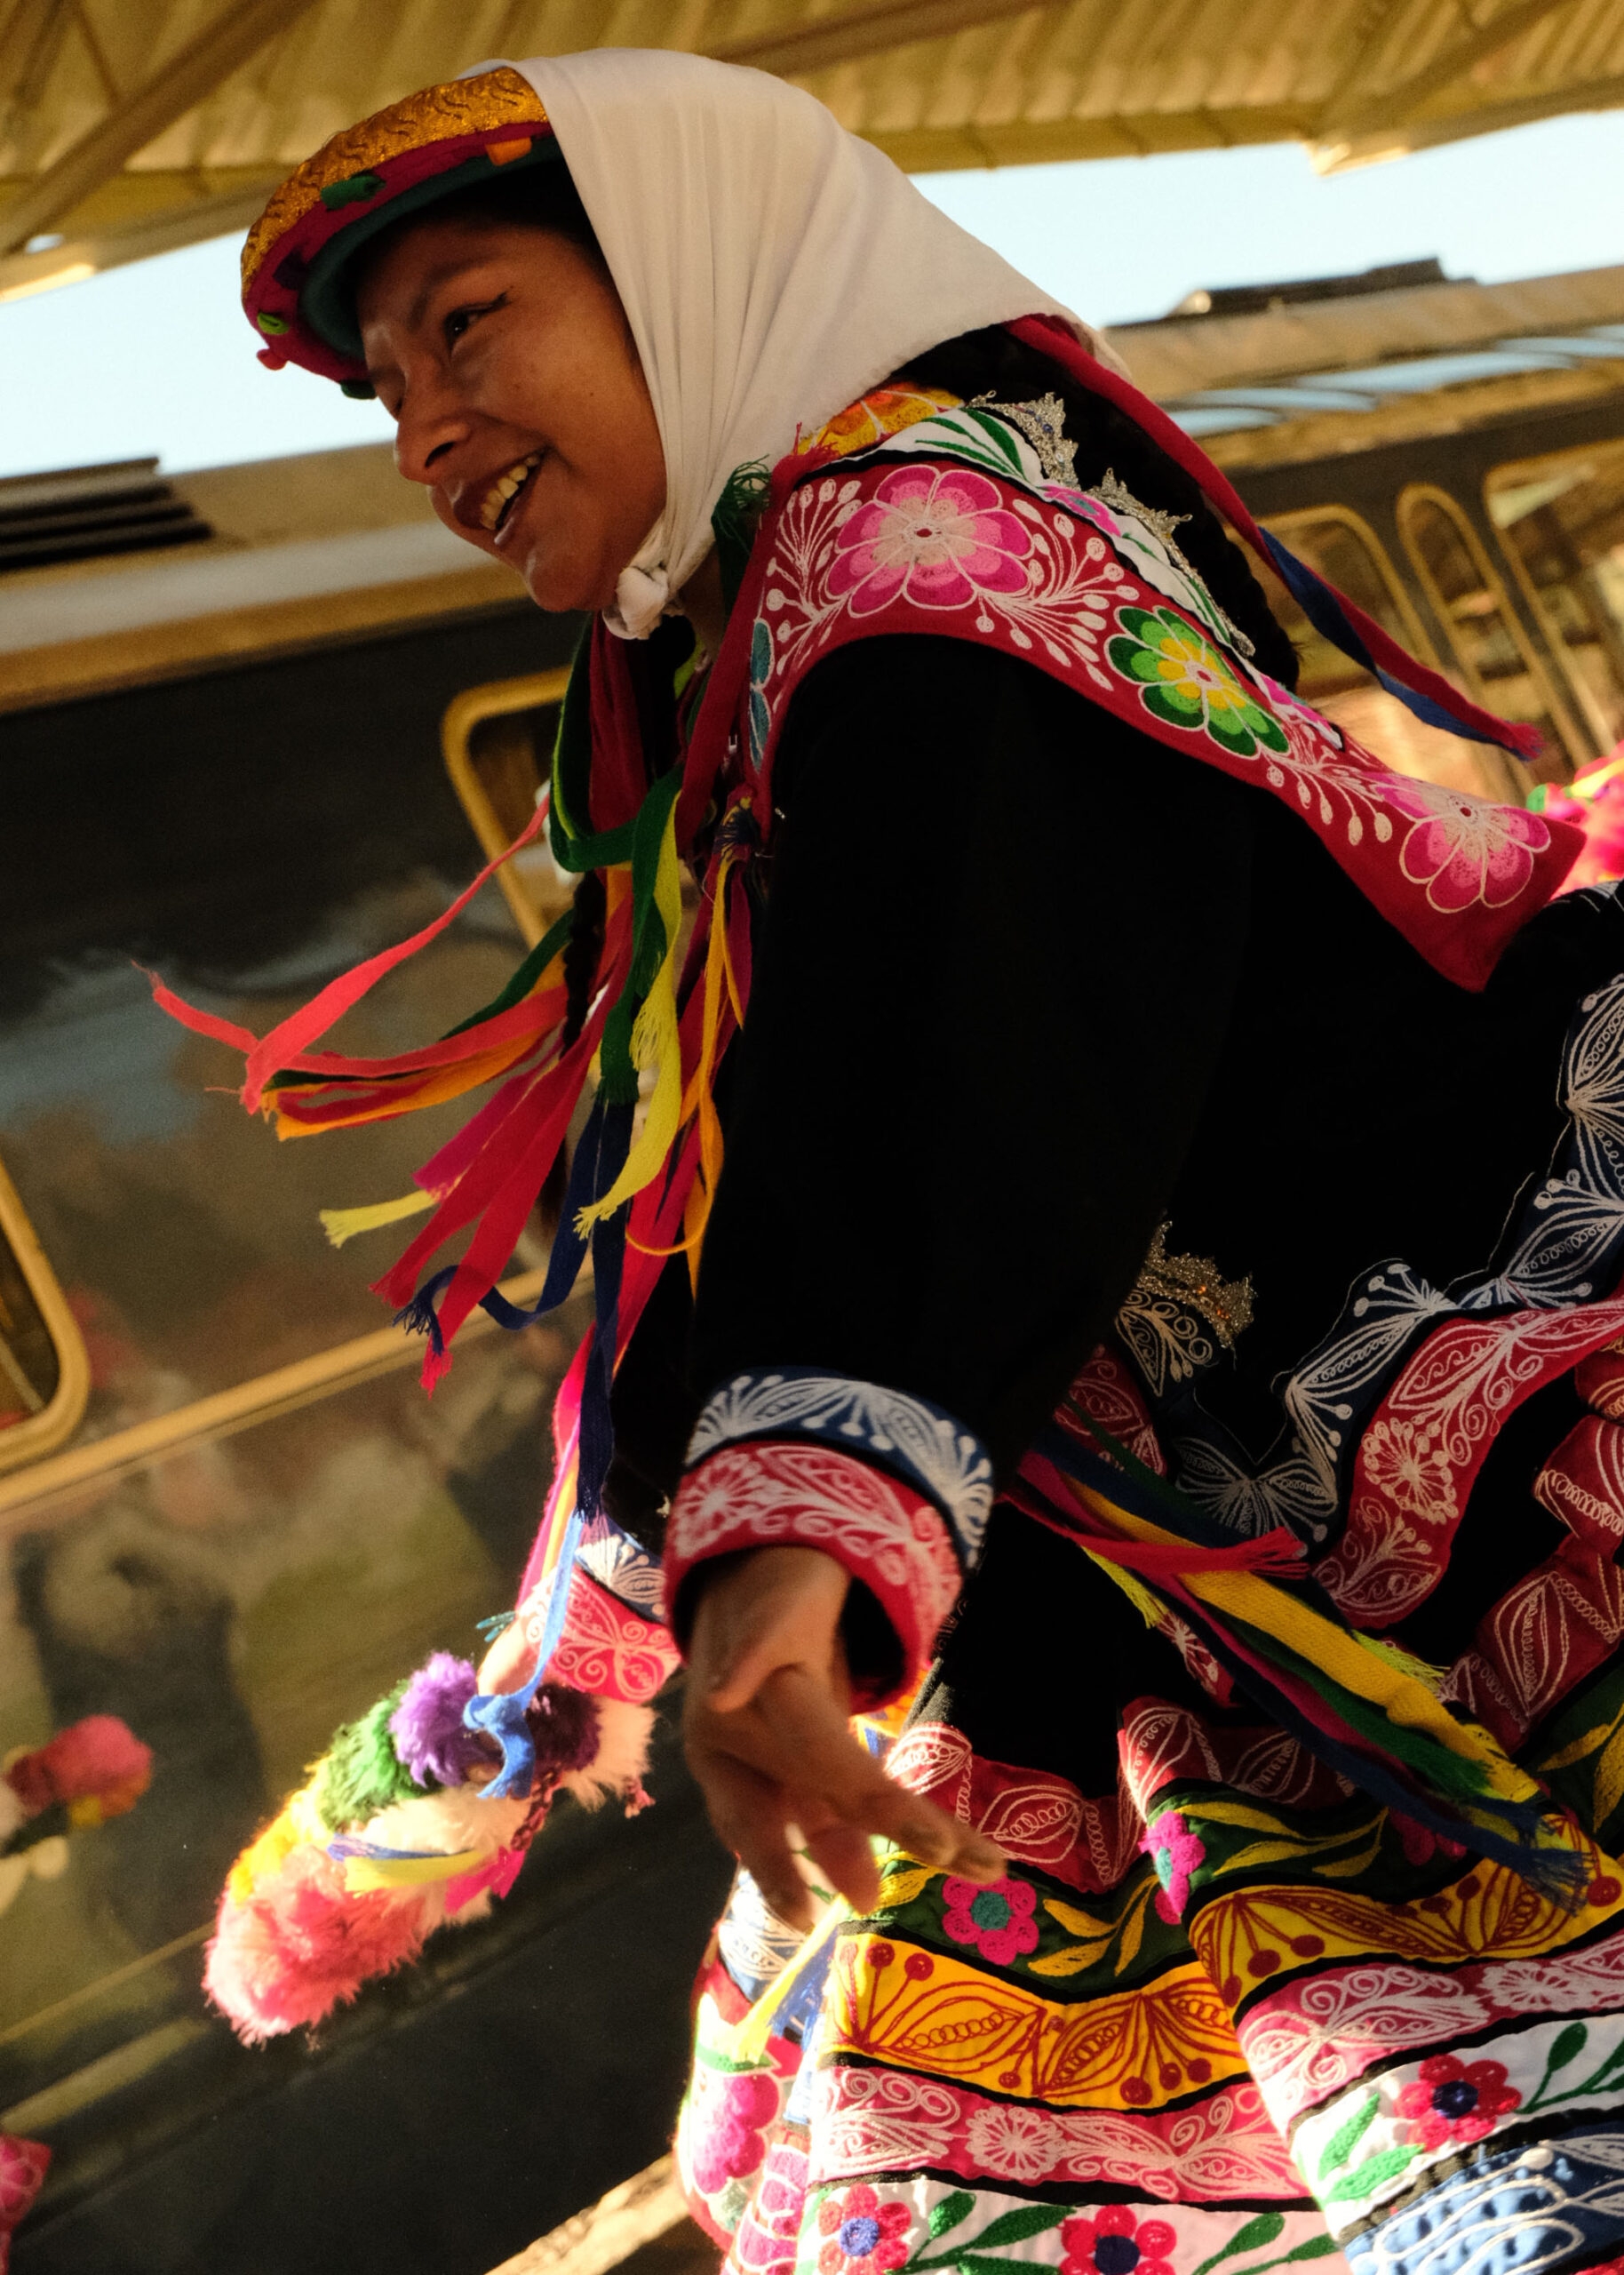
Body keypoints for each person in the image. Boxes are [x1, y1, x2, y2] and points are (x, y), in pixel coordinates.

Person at [171, 47, 1624, 2275]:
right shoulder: (762, 637)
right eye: (384, 388)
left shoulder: (916, 550)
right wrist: (563, 1651)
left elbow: (967, 1044)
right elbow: (744, 1197)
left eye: (471, 328)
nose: (427, 435)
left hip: (1459, 1481)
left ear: (682, 269)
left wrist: (800, 1520)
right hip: (1241, 1564)